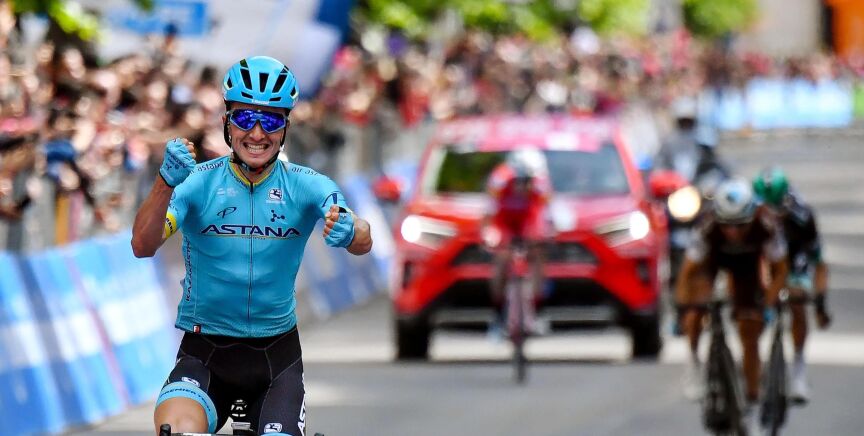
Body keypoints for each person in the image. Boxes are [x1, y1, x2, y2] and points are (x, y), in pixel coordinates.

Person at [131, 56, 373, 436]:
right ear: (226, 122)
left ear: (285, 128)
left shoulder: (306, 184)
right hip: (204, 354)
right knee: (175, 430)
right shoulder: (196, 182)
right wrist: (164, 183)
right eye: (245, 119)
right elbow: (143, 245)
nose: (257, 133)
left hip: (275, 360)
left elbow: (361, 233)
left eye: (271, 121)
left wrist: (352, 230)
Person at [675, 178, 788, 431]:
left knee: (750, 331)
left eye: (740, 225)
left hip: (748, 270)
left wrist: (768, 304)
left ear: (752, 216)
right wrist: (684, 307)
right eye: (727, 225)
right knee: (694, 313)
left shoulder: (766, 224)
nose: (733, 232)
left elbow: (780, 270)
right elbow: (688, 272)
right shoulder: (707, 226)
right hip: (713, 263)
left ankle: (752, 402)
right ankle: (693, 362)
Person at [753, 166, 831, 403]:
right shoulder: (749, 215)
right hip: (761, 257)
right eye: (765, 210)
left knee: (797, 301)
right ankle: (752, 361)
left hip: (793, 257)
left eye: (776, 211)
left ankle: (798, 368)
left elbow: (819, 263)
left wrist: (819, 304)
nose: (772, 217)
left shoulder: (802, 217)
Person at [483, 147, 551, 335]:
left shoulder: (541, 184)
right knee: (501, 259)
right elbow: (489, 211)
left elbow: (546, 212)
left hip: (528, 220)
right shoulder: (499, 180)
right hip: (504, 221)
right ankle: (497, 313)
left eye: (529, 181)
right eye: (521, 180)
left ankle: (537, 307)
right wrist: (488, 234)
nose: (524, 186)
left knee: (538, 254)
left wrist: (546, 234)